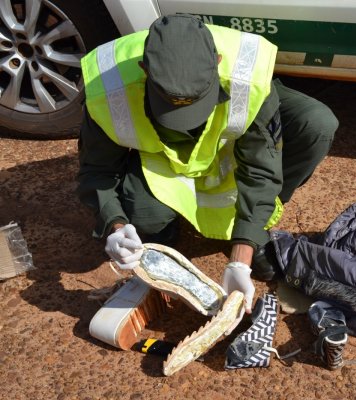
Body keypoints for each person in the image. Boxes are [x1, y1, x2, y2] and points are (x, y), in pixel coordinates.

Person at [77, 14, 338, 319]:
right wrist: (115, 225)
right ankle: (162, 215)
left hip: (227, 145)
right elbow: (96, 170)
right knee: (149, 226)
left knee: (317, 123)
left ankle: (248, 226)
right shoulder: (109, 88)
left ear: (218, 61)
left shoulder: (245, 81)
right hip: (160, 158)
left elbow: (261, 168)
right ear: (143, 71)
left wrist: (241, 255)